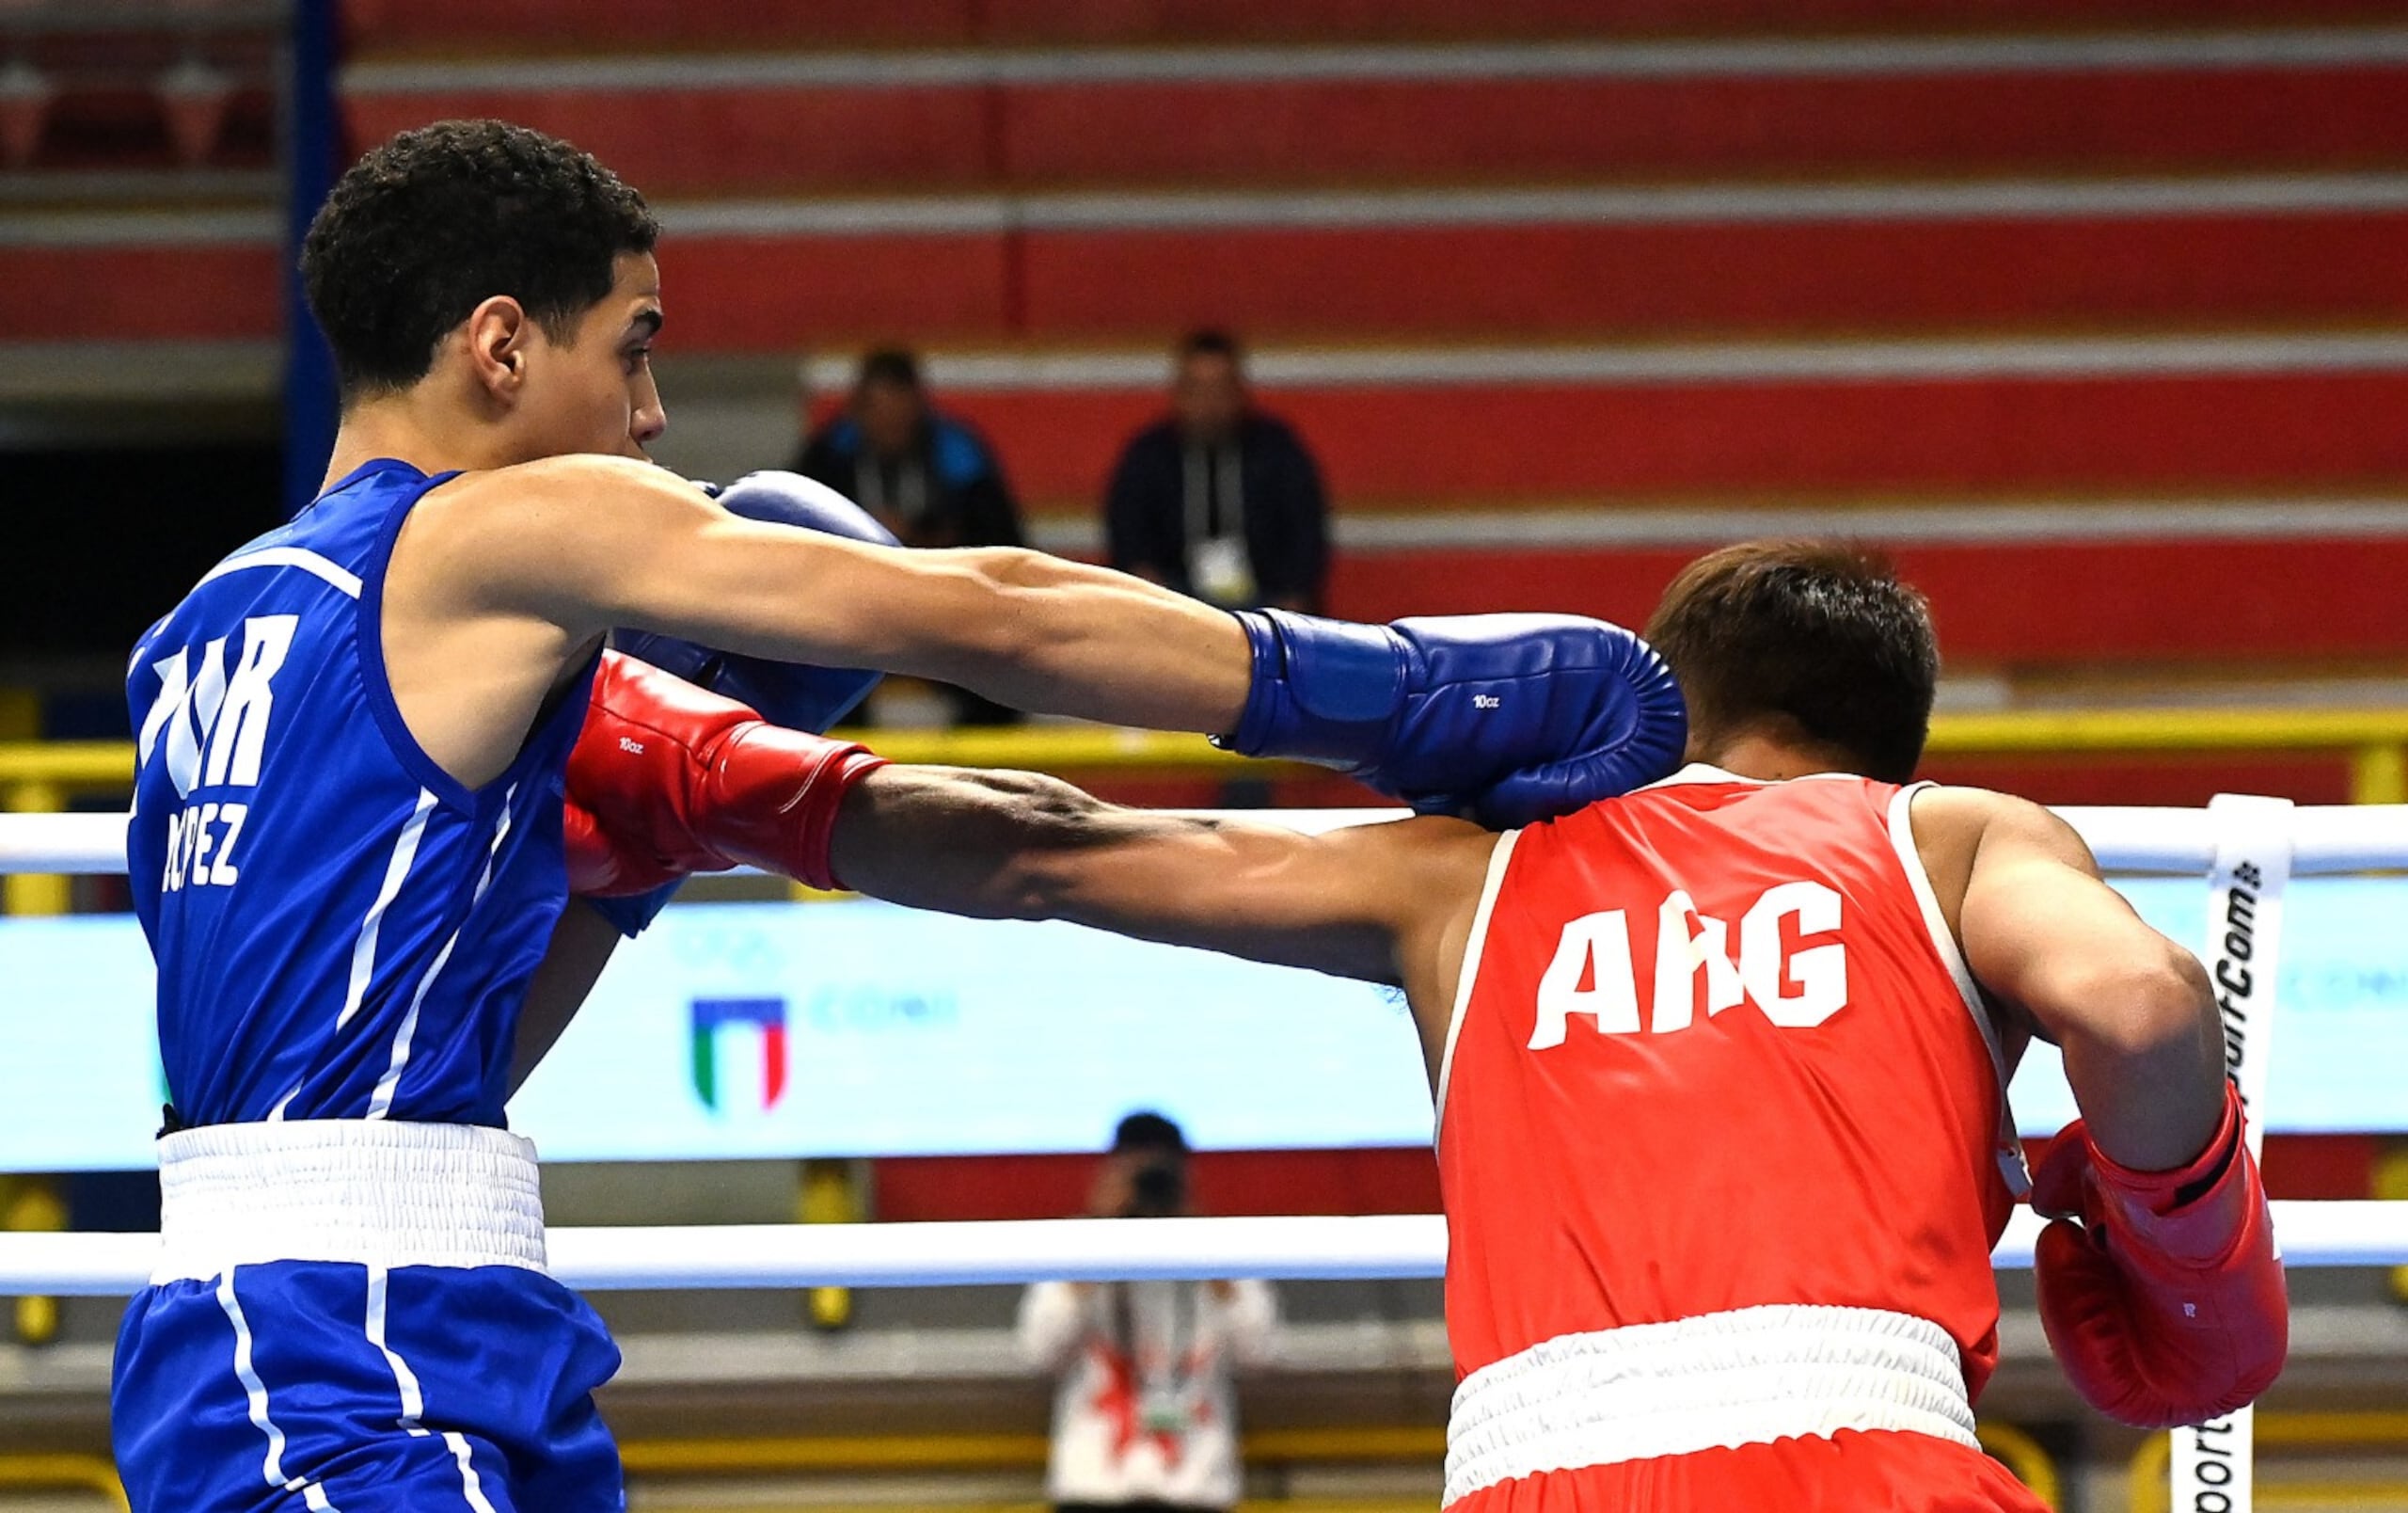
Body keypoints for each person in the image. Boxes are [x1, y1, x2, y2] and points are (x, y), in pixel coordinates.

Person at [112, 119, 1685, 1513]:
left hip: (402, 1296)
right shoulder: (492, 533)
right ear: (503, 347)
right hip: (324, 1343)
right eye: (636, 347)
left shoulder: (204, 629)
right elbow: (984, 610)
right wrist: (1380, 694)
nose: (654, 417)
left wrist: (620, 867)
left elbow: (413, 1063)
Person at [568, 539, 2288, 1509]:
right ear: (1888, 742)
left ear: (1664, 694)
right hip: (1875, 1459)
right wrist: (2165, 1221)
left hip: (1537, 1473)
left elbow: (1049, 854)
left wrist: (727, 790)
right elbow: (2139, 1001)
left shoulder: (1461, 876)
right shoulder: (1943, 835)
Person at [1018, 1113, 1275, 1513]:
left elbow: (1260, 1351)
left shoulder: (1222, 1247)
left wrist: (1202, 1242)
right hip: (1093, 1491)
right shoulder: (1078, 1245)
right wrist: (1101, 1231)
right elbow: (1039, 1350)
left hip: (1195, 1490)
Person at [793, 346, 1028, 725]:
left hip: (944, 607)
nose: (891, 429)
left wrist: (925, 541)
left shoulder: (961, 456)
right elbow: (793, 541)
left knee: (999, 682)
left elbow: (1004, 543)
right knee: (821, 677)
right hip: (852, 610)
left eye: (900, 417)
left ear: (920, 407)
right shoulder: (827, 458)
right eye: (880, 415)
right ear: (859, 410)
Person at [1104, 331, 1328, 614]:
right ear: (1178, 394)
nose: (1209, 404)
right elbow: (1128, 531)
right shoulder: (1148, 455)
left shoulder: (1278, 450)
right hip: (1173, 599)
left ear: (1240, 392)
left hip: (1263, 599)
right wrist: (1145, 588)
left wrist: (1293, 594)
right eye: (1197, 390)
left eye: (1220, 390)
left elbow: (1305, 532)